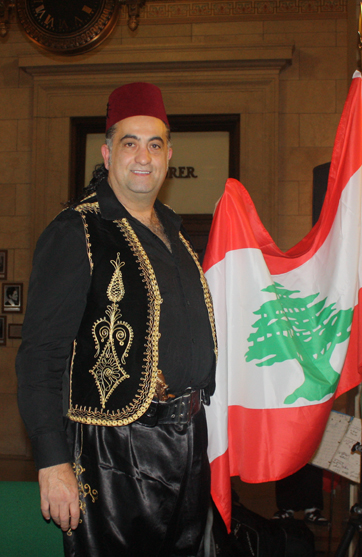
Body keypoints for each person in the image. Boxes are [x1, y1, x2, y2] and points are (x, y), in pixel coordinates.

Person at [16, 83, 217, 557]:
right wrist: (52, 462)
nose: (142, 156)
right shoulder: (76, 231)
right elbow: (40, 357)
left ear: (169, 154)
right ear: (108, 155)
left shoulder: (176, 233)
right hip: (115, 452)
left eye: (154, 144)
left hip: (190, 441)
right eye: (130, 143)